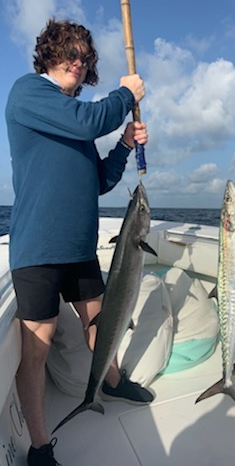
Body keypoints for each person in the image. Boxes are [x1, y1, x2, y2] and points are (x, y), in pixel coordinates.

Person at [6, 18, 152, 466]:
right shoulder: (30, 93)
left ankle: (110, 381)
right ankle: (39, 445)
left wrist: (125, 145)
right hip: (38, 249)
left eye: (85, 58)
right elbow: (90, 120)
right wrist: (127, 95)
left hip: (80, 247)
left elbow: (100, 182)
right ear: (50, 54)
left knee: (99, 323)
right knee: (38, 348)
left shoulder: (73, 120)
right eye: (70, 52)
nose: (78, 61)